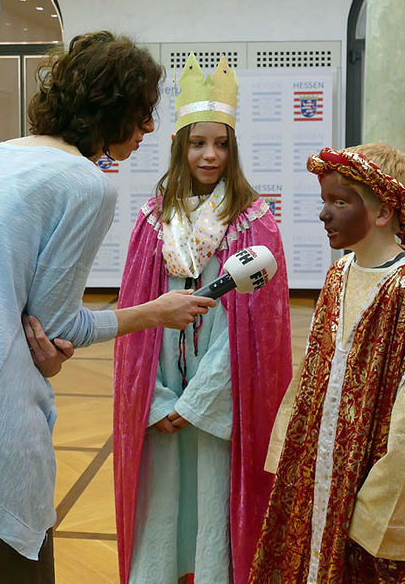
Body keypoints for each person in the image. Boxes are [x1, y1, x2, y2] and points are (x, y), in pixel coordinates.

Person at [0, 32, 214, 584]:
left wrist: (49, 351)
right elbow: (55, 327)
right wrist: (156, 311)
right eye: (143, 113)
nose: (150, 128)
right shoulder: (84, 183)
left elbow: (30, 325)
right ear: (111, 108)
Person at [113, 54, 292, 584]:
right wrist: (161, 400)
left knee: (214, 499)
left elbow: (256, 332)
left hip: (217, 401)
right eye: (198, 143)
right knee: (164, 499)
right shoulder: (153, 219)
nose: (209, 155)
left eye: (221, 144)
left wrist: (196, 403)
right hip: (163, 394)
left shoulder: (253, 221)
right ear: (180, 145)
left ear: (233, 149)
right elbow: (137, 316)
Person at [249, 143, 405, 584]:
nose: (325, 214)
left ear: (382, 212)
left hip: (363, 486)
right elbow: (312, 369)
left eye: (340, 202)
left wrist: (377, 512)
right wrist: (292, 452)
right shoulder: (338, 274)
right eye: (324, 201)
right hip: (318, 472)